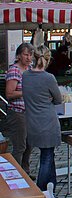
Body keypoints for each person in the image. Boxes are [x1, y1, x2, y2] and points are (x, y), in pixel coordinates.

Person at [22, 45, 62, 191]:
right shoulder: (48, 78)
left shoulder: (25, 75)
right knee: (46, 158)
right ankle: (41, 190)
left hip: (32, 122)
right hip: (48, 123)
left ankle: (51, 188)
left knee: (48, 156)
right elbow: (58, 100)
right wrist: (49, 97)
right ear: (48, 59)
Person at [4, 43, 34, 175]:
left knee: (30, 144)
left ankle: (25, 171)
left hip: (30, 112)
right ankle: (16, 174)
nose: (28, 57)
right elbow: (9, 94)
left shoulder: (31, 69)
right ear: (19, 56)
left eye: (30, 55)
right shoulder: (14, 70)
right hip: (17, 112)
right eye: (26, 54)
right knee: (19, 146)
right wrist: (26, 91)